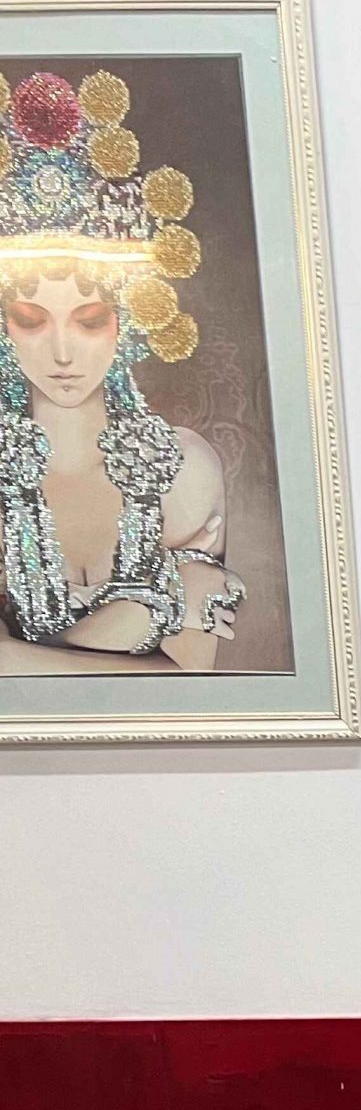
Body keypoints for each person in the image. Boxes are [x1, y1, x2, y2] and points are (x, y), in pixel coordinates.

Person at [0, 68, 239, 671]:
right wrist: (154, 609)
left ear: (126, 322)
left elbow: (193, 701)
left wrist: (23, 657)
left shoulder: (181, 471)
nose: (61, 353)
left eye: (88, 319)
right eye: (30, 319)